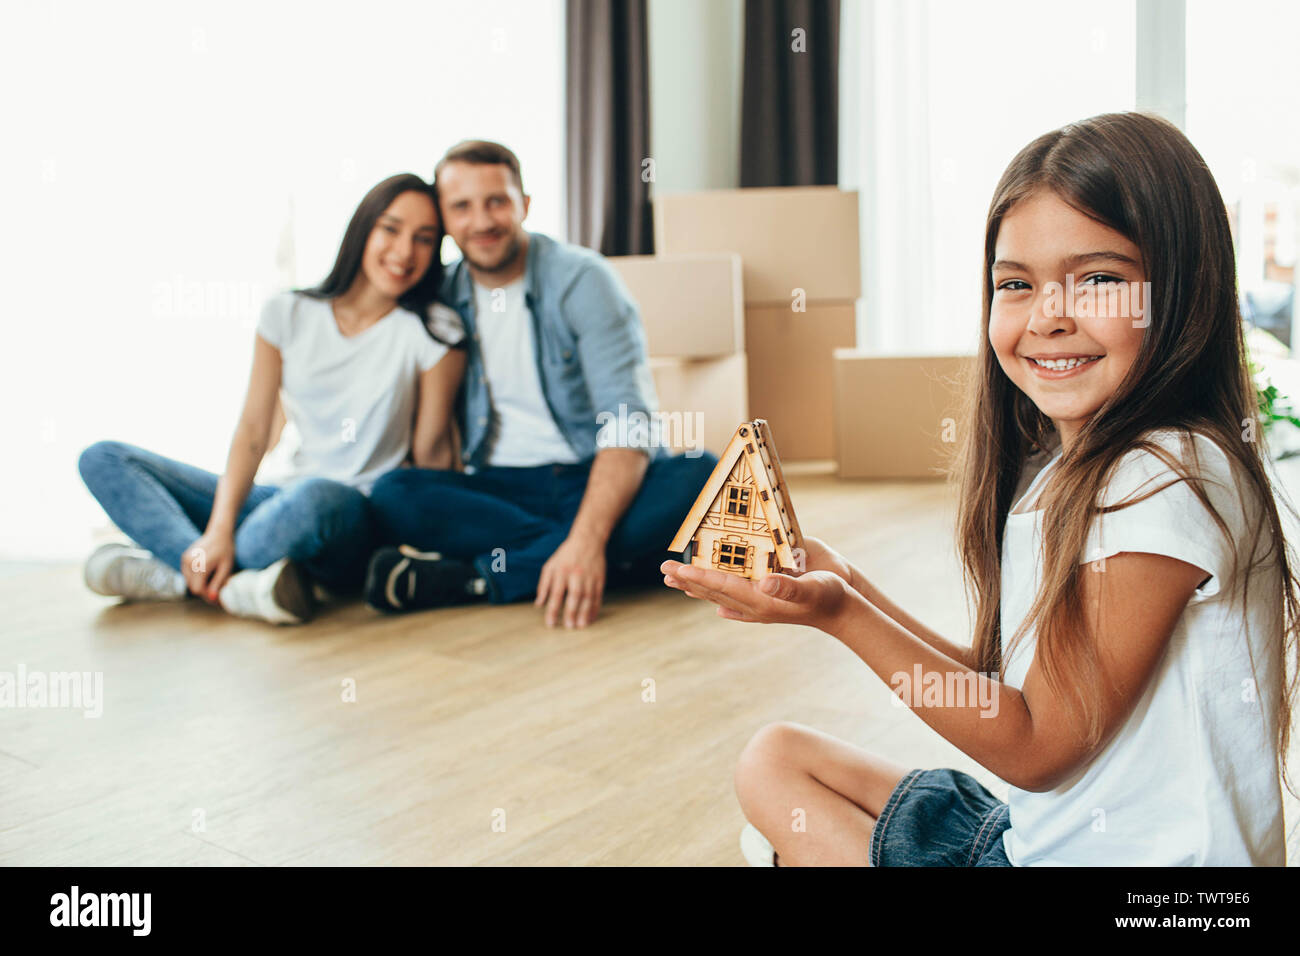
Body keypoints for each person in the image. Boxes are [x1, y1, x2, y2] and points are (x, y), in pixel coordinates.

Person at [664, 112, 1300, 866]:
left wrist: (841, 618)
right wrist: (849, 583)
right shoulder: (1073, 467)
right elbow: (1011, 694)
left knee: (778, 810)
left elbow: (1034, 749)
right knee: (776, 762)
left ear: (1184, 289)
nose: (1049, 317)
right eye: (1016, 285)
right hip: (1037, 838)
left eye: (1098, 279)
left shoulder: (1164, 476)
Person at [78, 173, 466, 625]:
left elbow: (432, 451)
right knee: (103, 458)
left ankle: (179, 577)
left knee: (318, 498)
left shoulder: (435, 331)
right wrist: (220, 529)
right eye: (391, 228)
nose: (404, 252)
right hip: (276, 499)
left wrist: (438, 538)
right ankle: (226, 582)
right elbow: (254, 430)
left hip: (348, 515)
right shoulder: (288, 312)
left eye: (424, 239)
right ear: (364, 227)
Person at [365, 140, 717, 628]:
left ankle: (477, 579)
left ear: (524, 204)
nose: (481, 221)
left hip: (589, 477)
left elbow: (628, 423)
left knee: (701, 472)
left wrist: (588, 537)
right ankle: (621, 561)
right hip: (497, 490)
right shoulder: (439, 296)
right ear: (445, 218)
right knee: (394, 494)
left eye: (497, 201)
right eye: (462, 207)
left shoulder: (583, 280)